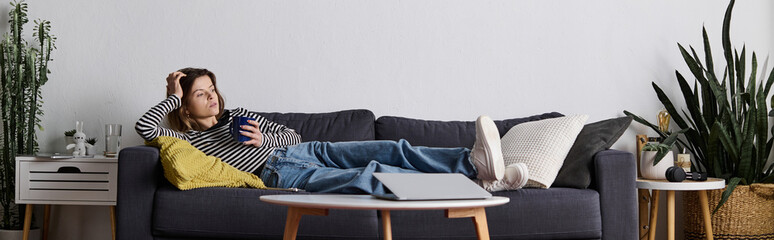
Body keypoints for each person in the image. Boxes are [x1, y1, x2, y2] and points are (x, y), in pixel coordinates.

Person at [136, 68, 528, 194]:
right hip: (277, 174)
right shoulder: (187, 139)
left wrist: (263, 139)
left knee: (392, 148)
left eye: (212, 90)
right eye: (199, 94)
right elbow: (145, 127)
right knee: (369, 177)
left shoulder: (239, 115)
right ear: (186, 104)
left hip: (306, 150)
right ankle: (475, 187)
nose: (211, 99)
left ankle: (474, 164)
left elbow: (289, 135)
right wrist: (173, 94)